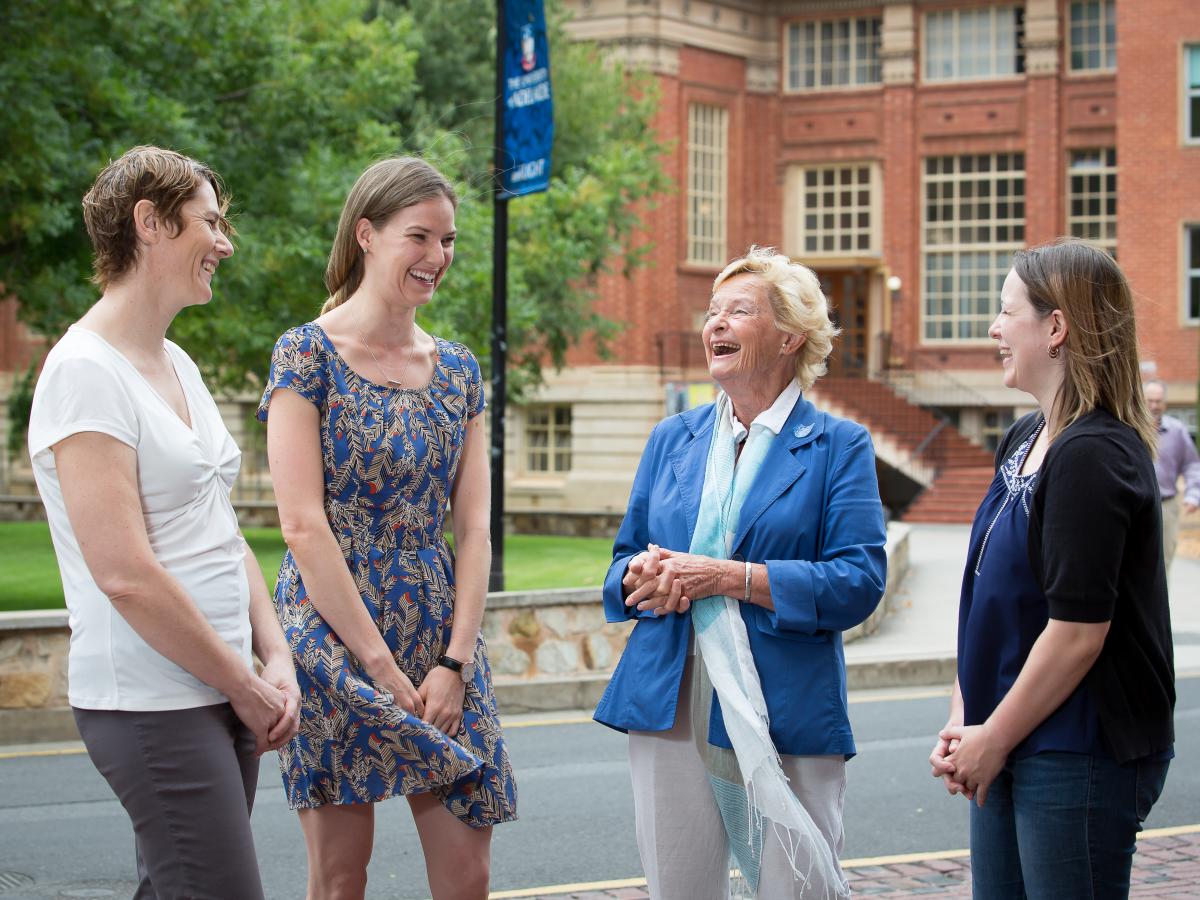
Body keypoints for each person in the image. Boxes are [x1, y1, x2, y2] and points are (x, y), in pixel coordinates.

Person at [27, 145, 300, 899]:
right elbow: (123, 572)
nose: (225, 243)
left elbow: (222, 531)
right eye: (209, 223)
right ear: (150, 223)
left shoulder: (178, 363)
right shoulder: (84, 373)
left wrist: (271, 656)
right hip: (150, 701)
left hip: (223, 688)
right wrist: (241, 681)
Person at [594, 246, 888, 899]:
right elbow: (617, 568)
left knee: (798, 890)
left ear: (790, 337)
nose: (715, 324)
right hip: (670, 699)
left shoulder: (840, 446)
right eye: (713, 311)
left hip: (785, 703)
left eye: (739, 311)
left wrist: (726, 577)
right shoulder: (673, 438)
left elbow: (859, 581)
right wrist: (643, 576)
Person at [258, 156, 516, 900]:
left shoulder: (461, 370)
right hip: (335, 637)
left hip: (440, 631)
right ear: (366, 235)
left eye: (450, 240)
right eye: (420, 237)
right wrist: (380, 668)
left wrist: (455, 662)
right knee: (341, 880)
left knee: (468, 876)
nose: (438, 257)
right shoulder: (304, 355)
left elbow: (474, 531)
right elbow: (304, 526)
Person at [930, 240, 1175, 899]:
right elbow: (988, 599)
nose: (993, 328)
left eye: (1006, 311)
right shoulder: (1024, 436)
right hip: (1005, 733)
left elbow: (1077, 631)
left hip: (1078, 747)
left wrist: (993, 737)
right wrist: (966, 719)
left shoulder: (1094, 454)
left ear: (1057, 328)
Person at [1143, 379, 1200, 571]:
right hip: (1137, 504)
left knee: (1164, 562)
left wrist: (1193, 495)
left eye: (1158, 401)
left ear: (1165, 403)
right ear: (1142, 400)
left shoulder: (1177, 431)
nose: (1154, 406)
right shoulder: (1131, 429)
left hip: (1167, 506)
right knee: (1138, 562)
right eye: (1150, 400)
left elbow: (1192, 464)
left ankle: (1162, 601)